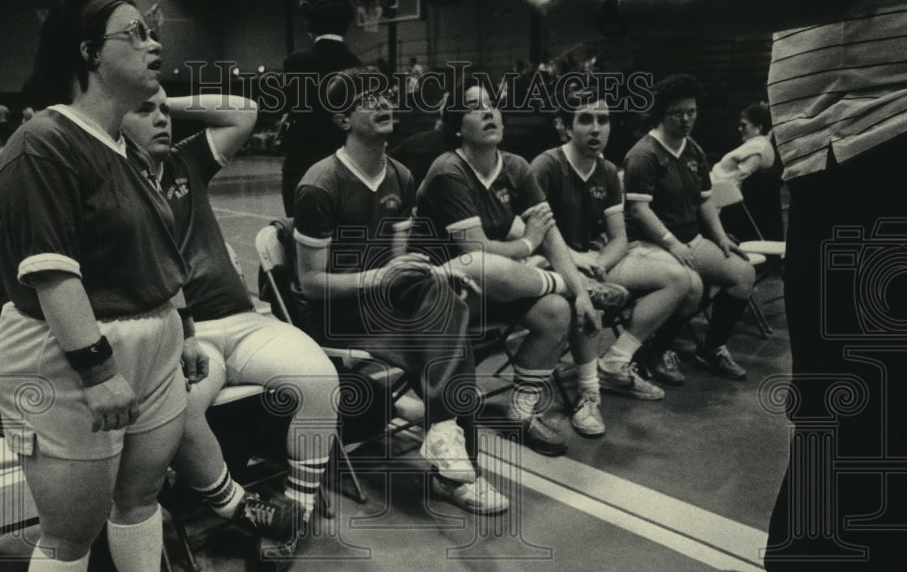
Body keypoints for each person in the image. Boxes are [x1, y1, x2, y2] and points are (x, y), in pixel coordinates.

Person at [522, 0, 907, 572]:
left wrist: (613, 8)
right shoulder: (588, 161)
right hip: (846, 160)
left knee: (871, 443)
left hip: (878, 165)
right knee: (843, 414)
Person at [0, 0, 220, 572]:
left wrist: (178, 334)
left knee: (140, 495)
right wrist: (97, 368)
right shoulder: (43, 144)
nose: (155, 46)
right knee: (70, 527)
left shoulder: (122, 141)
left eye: (154, 35)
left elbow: (156, 254)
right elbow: (52, 274)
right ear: (87, 53)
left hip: (148, 349)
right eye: (135, 35)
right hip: (65, 358)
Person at [121, 86, 342, 572]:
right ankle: (241, 508)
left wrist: (157, 99)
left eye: (164, 112)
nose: (161, 120)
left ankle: (293, 514)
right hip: (178, 335)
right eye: (145, 112)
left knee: (321, 381)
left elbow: (244, 111)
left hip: (242, 321)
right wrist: (127, 103)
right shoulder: (110, 179)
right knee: (175, 409)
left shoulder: (185, 162)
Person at [293, 67, 509, 515]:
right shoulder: (320, 183)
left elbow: (396, 265)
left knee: (446, 303)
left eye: (385, 94)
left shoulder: (402, 177)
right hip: (335, 317)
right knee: (447, 335)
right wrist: (381, 279)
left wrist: (426, 276)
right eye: (368, 98)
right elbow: (310, 285)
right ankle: (453, 462)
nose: (383, 102)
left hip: (383, 307)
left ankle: (446, 442)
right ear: (342, 120)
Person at [413, 78, 607, 455]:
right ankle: (566, 284)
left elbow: (551, 235)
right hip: (434, 293)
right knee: (484, 264)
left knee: (554, 312)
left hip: (488, 291)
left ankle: (520, 414)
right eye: (474, 106)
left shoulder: (516, 166)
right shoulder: (447, 170)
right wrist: (528, 244)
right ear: (457, 125)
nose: (488, 112)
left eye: (492, 105)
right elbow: (477, 249)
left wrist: (581, 296)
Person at [530, 85, 692, 401]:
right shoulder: (546, 166)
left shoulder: (607, 171)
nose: (596, 129)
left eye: (602, 120)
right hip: (552, 263)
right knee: (589, 298)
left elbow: (619, 238)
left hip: (594, 263)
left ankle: (615, 363)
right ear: (564, 126)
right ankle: (588, 389)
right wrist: (575, 258)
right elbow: (528, 234)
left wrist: (601, 263)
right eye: (585, 119)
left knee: (680, 279)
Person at [621, 74, 755, 383]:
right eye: (677, 113)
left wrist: (721, 239)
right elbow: (639, 211)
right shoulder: (643, 154)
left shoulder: (693, 150)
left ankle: (712, 347)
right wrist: (671, 244)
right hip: (647, 244)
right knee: (692, 286)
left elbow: (704, 201)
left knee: (743, 275)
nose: (685, 119)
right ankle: (657, 349)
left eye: (691, 111)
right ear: (661, 114)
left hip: (689, 239)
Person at [279, 0, 361, 216]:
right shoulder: (359, 67)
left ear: (308, 22)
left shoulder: (295, 62)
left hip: (303, 168)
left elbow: (295, 112)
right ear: (347, 21)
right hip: (345, 170)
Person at [710, 101, 784, 241]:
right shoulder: (757, 144)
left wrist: (716, 205)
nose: (739, 129)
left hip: (718, 191)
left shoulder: (759, 148)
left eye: (744, 125)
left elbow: (739, 179)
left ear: (758, 127)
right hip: (714, 185)